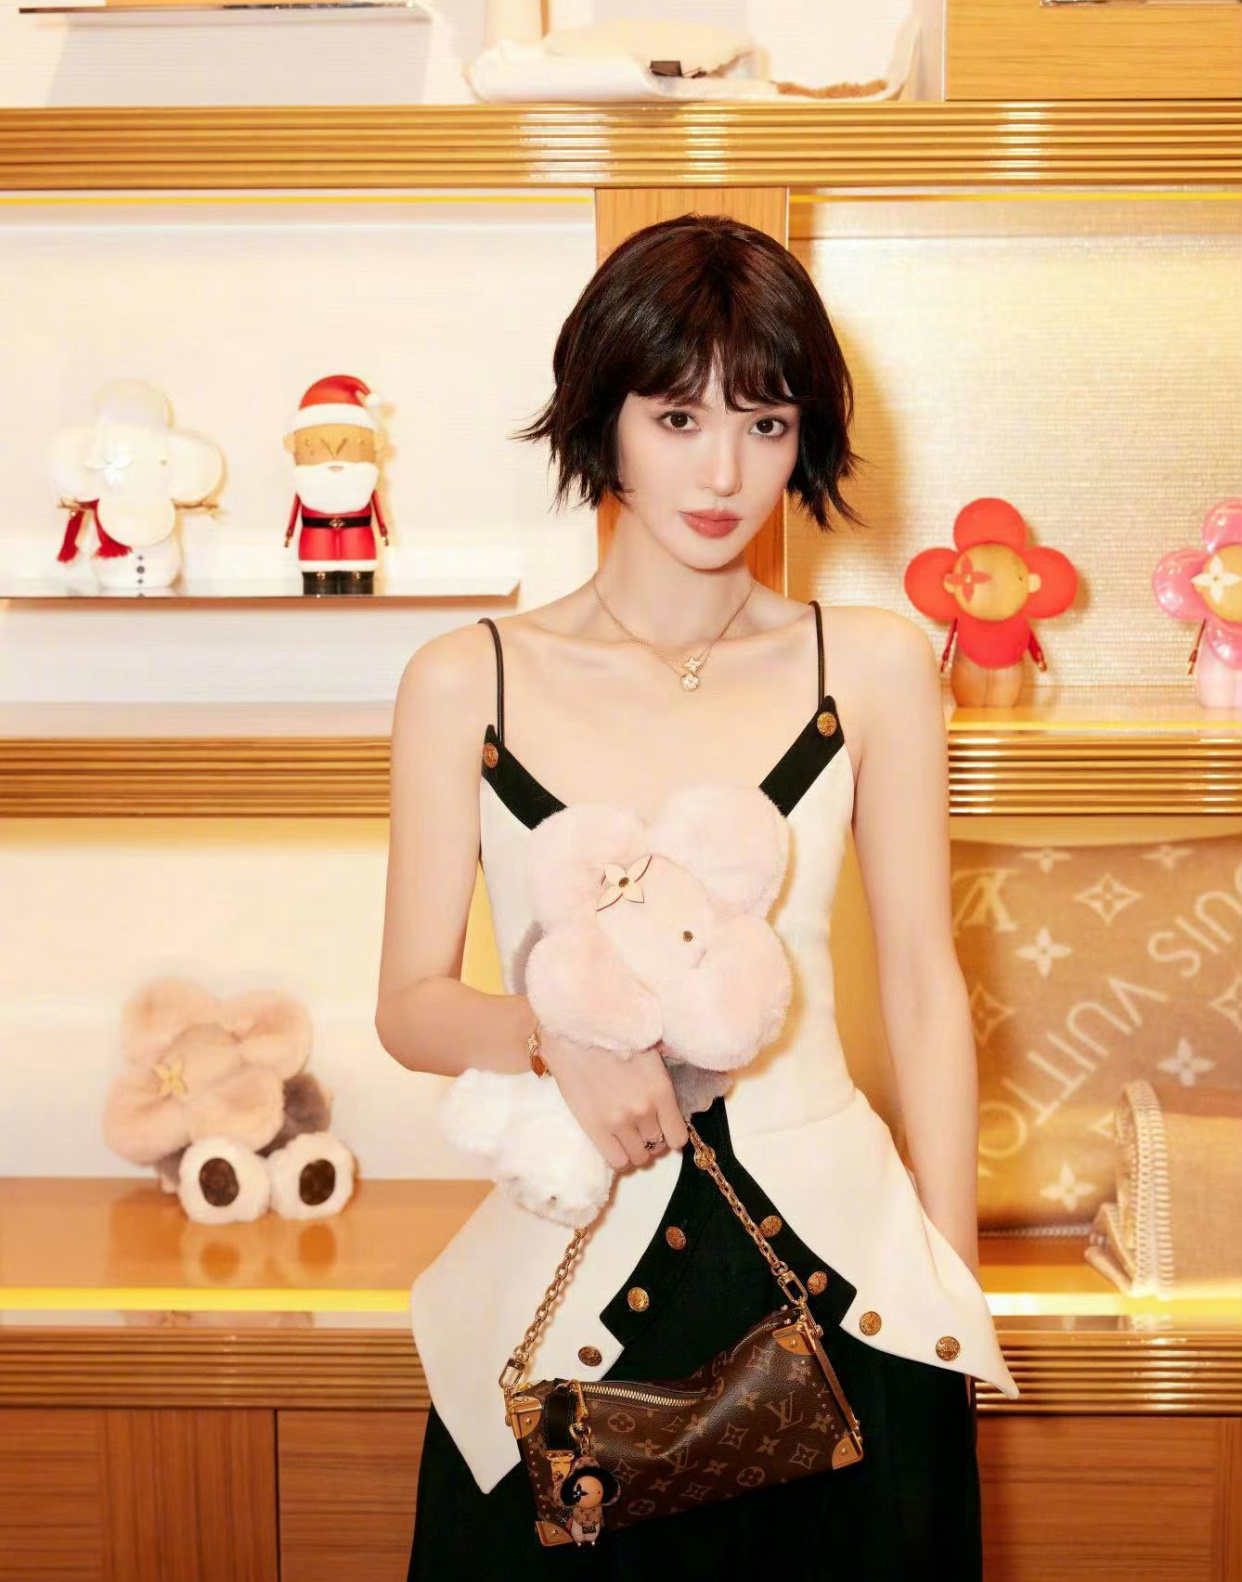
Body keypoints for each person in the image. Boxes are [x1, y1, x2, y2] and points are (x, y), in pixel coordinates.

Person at [375, 213, 1019, 1581]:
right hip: (566, 1301)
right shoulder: (463, 680)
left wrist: (950, 1283)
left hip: (851, 1297)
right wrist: (553, 1040)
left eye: (766, 424)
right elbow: (410, 1006)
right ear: (601, 417)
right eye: (677, 418)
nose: (724, 472)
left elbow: (923, 984)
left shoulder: (874, 666)